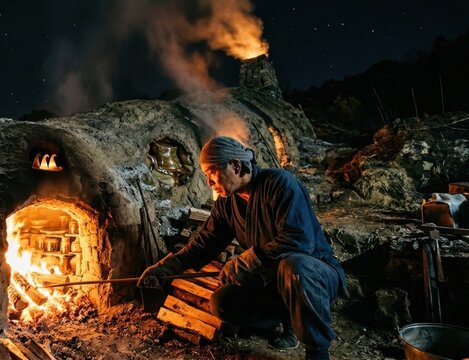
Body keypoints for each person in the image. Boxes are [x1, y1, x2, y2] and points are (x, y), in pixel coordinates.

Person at [138, 136, 347, 360]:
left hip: (315, 275)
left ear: (235, 166)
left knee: (294, 265)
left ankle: (317, 350)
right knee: (223, 303)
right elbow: (203, 245)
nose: (209, 181)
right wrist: (163, 269)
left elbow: (299, 241)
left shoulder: (280, 184)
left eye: (211, 172)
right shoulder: (227, 203)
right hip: (272, 282)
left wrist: (247, 261)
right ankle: (286, 318)